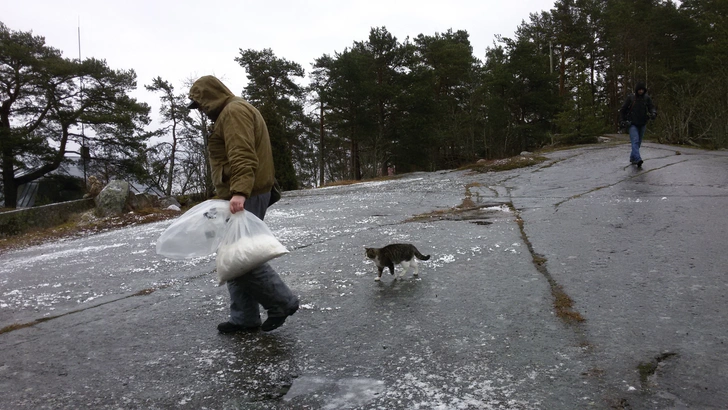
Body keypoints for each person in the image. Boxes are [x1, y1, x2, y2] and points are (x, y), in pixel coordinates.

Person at [187, 75, 298, 333]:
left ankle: (282, 302)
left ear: (211, 95)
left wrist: (239, 192)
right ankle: (244, 318)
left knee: (241, 258)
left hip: (245, 193)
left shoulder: (233, 112)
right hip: (244, 192)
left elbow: (242, 154)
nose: (201, 111)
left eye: (201, 104)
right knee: (233, 255)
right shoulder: (231, 111)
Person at [620, 82, 657, 167]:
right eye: (639, 89)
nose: (641, 91)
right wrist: (622, 120)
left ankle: (633, 157)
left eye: (642, 89)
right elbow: (623, 110)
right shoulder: (631, 98)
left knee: (638, 143)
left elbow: (651, 107)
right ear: (636, 90)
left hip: (643, 123)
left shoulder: (647, 98)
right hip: (632, 123)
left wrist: (653, 113)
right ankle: (638, 159)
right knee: (635, 141)